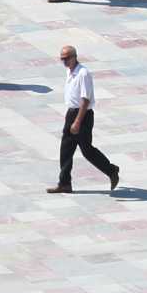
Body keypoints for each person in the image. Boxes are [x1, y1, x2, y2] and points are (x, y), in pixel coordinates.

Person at [47, 45, 119, 194]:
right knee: (66, 150)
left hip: (82, 115)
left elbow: (85, 100)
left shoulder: (83, 73)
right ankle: (65, 183)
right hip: (71, 113)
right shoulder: (70, 71)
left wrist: (77, 122)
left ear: (74, 57)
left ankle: (111, 170)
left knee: (87, 150)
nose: (64, 62)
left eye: (66, 58)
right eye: (62, 59)